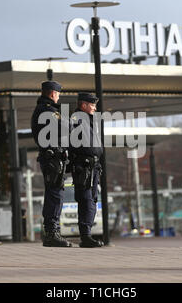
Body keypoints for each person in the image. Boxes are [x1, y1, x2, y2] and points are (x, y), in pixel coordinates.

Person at [31, 81, 72, 247]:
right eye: (58, 94)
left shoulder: (45, 110)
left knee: (55, 193)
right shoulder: (47, 111)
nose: (59, 96)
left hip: (53, 156)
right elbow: (66, 127)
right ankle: (51, 233)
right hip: (52, 157)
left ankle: (52, 232)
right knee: (55, 194)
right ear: (53, 94)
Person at [69, 92, 104, 248]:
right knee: (86, 200)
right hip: (83, 166)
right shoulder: (77, 120)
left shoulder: (89, 121)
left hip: (93, 166)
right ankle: (86, 236)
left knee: (92, 199)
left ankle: (87, 234)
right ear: (83, 105)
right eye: (92, 105)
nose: (95, 108)